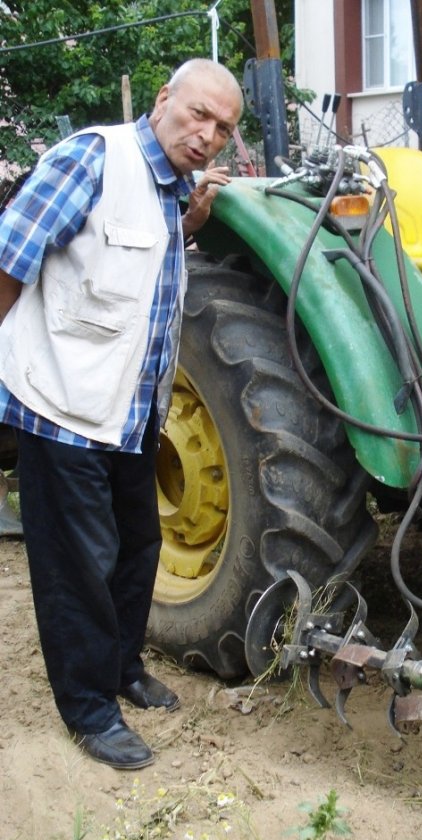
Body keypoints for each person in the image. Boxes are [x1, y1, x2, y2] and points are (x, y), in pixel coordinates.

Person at [0, 58, 243, 769]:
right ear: (164, 100)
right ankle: (88, 708)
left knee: (137, 547)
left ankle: (121, 668)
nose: (207, 136)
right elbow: (11, 255)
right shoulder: (92, 158)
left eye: (223, 128)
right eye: (198, 114)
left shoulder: (172, 189)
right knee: (78, 563)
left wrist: (191, 219)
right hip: (62, 402)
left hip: (133, 411)